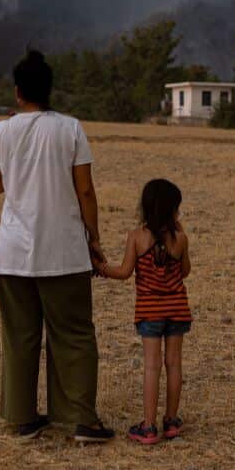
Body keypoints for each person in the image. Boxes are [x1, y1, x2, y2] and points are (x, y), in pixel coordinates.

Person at [0, 50, 114, 443]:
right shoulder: (71, 129)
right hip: (64, 251)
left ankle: (22, 418)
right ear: (49, 89)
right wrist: (94, 238)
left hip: (12, 253)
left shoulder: (1, 132)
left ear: (18, 91)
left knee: (20, 335)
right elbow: (86, 190)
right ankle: (80, 419)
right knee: (73, 333)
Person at [92, 178, 192, 445]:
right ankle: (171, 421)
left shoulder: (137, 237)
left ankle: (148, 427)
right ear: (173, 210)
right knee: (174, 364)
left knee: (151, 366)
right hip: (177, 309)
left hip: (149, 312)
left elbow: (124, 273)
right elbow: (184, 272)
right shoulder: (180, 237)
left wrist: (100, 268)